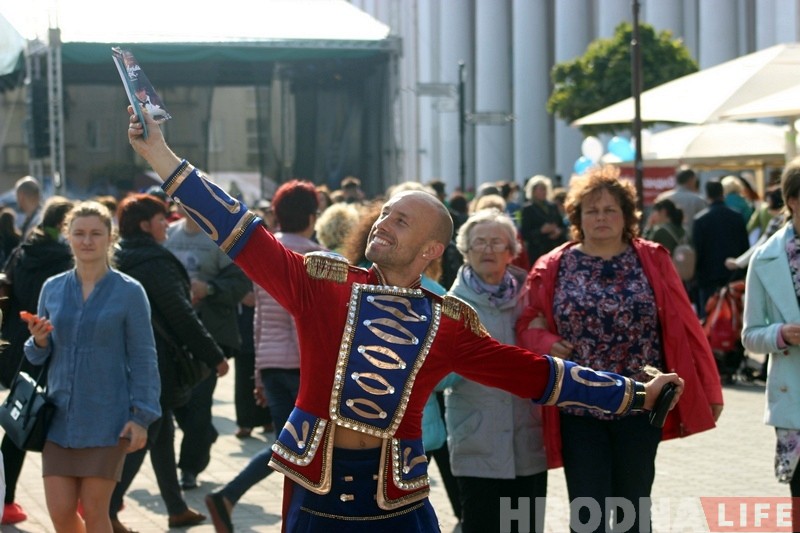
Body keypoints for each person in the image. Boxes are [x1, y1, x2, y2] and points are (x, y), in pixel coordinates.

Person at [126, 108, 683, 531]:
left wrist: (634, 394)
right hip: (314, 490)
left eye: (401, 221)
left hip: (397, 500)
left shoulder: (448, 323)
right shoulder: (320, 285)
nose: (383, 224)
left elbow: (535, 374)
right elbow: (239, 229)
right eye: (385, 215)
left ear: (430, 250)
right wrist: (161, 155)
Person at [516, 166, 723, 533]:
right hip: (579, 404)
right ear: (577, 217)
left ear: (627, 216)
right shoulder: (553, 265)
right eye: (592, 210)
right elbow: (528, 323)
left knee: (634, 508)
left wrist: (708, 390)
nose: (601, 217)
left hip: (642, 402)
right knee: (587, 512)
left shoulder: (653, 258)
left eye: (610, 209)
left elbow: (686, 327)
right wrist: (547, 343)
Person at [23, 201, 161, 532]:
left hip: (107, 420)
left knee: (96, 512)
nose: (87, 241)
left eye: (96, 234)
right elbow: (37, 356)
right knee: (60, 513)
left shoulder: (130, 292)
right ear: (68, 236)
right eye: (79, 233)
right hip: (59, 419)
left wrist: (142, 416)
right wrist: (39, 341)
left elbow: (144, 356)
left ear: (110, 238)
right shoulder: (52, 288)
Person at [205, 179, 326, 532]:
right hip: (303, 369)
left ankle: (233, 498)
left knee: (292, 447)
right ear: (312, 216)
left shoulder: (268, 252)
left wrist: (259, 373)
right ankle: (231, 496)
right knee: (301, 449)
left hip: (273, 365)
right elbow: (302, 321)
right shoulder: (318, 258)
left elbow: (258, 320)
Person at [112, 193, 230, 531]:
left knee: (161, 432)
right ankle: (106, 507)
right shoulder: (153, 262)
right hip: (156, 361)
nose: (167, 223)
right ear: (145, 225)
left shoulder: (121, 255)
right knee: (147, 433)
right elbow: (180, 315)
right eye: (161, 218)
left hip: (134, 358)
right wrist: (214, 355)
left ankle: (176, 508)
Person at [446, 208, 547, 533]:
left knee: (526, 528)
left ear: (511, 251)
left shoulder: (531, 301)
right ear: (466, 250)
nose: (487, 249)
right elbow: (439, 376)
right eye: (479, 242)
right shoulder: (450, 305)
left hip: (527, 441)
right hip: (477, 443)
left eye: (496, 242)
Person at [0, 196, 74, 526]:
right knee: (60, 419)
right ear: (64, 225)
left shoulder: (23, 250)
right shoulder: (67, 258)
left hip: (18, 341)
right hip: (53, 343)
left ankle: (5, 499)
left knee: (21, 417)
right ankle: (82, 497)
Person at [165, 207, 251, 490]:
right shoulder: (169, 234)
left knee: (199, 401)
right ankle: (204, 434)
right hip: (172, 335)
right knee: (178, 401)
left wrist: (209, 289)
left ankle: (189, 468)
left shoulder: (219, 239)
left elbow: (240, 281)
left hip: (209, 335)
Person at [741, 157, 800, 531]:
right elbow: (749, 334)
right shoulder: (766, 257)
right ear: (792, 200)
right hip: (794, 396)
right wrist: (781, 334)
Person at [693, 180, 750, 319]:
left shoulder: (700, 220)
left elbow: (698, 251)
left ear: (707, 195)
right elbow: (745, 247)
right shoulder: (737, 217)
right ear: (722, 193)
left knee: (708, 321)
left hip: (708, 278)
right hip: (733, 277)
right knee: (735, 320)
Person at [520, 175, 567, 265]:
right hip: (538, 251)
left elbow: (562, 226)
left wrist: (558, 231)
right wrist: (541, 231)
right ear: (533, 191)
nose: (544, 192)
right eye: (541, 189)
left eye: (545, 189)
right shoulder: (528, 209)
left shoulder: (552, 206)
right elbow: (525, 234)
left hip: (555, 249)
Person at [654, 167, 707, 236]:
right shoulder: (698, 199)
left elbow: (654, 220)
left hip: (664, 237)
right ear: (691, 179)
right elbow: (704, 223)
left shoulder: (662, 197)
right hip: (690, 238)